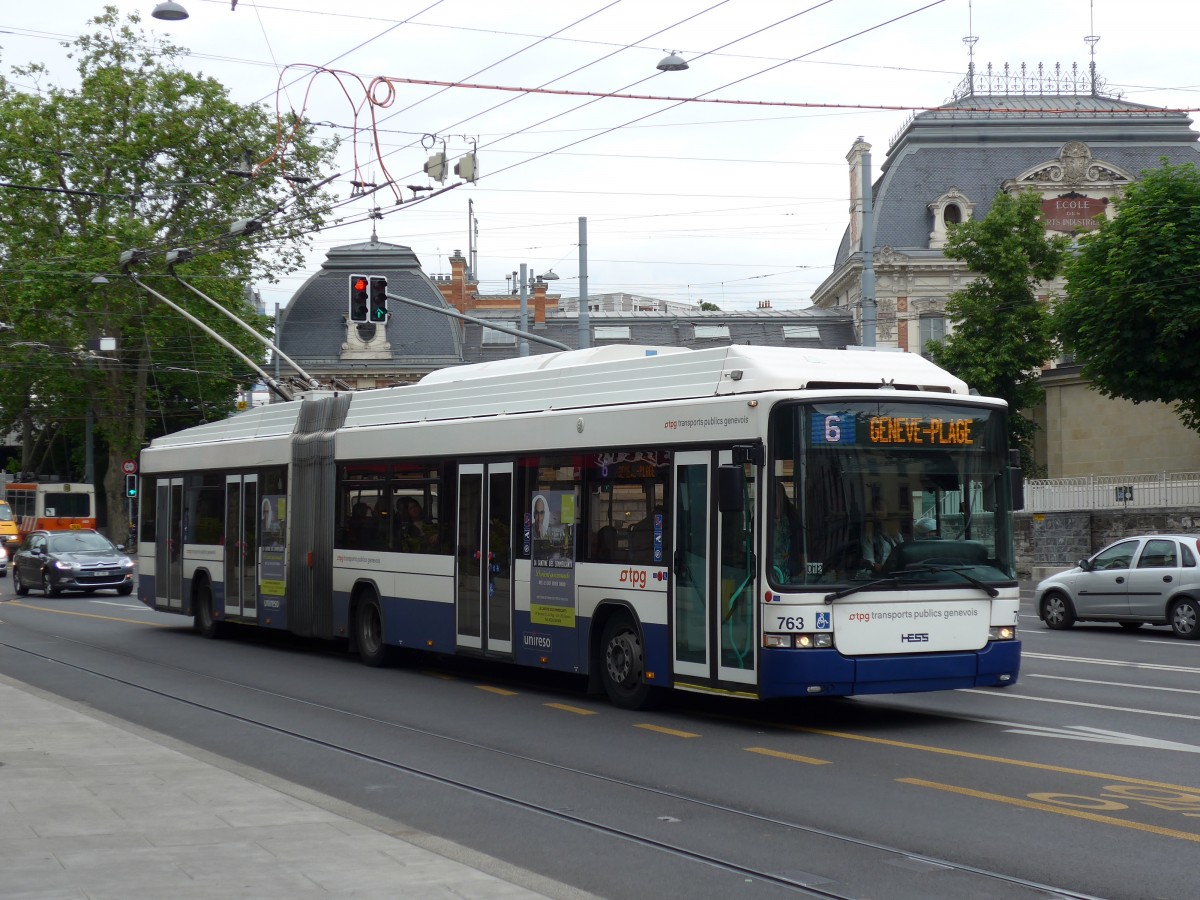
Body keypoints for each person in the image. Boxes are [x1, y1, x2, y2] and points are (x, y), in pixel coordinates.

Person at [861, 497, 903, 571]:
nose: (877, 513)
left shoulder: (896, 535)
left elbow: (903, 552)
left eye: (880, 509)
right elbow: (869, 561)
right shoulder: (869, 536)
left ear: (888, 511)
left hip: (898, 574)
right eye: (874, 510)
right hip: (879, 576)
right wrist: (880, 567)